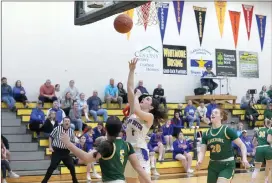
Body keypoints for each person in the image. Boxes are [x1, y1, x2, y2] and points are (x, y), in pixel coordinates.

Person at [60, 116, 152, 183]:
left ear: (106, 129)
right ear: (120, 130)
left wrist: (69, 144)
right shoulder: (127, 145)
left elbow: (87, 158)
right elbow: (139, 168)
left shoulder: (106, 145)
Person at [125, 58, 166, 183]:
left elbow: (137, 109)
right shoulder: (133, 111)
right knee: (130, 181)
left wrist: (136, 96)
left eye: (148, 99)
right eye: (145, 98)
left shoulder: (149, 117)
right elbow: (130, 88)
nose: (145, 99)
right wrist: (132, 71)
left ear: (151, 107)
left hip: (139, 152)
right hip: (128, 152)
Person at [196, 108, 250, 183]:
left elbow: (242, 145)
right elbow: (202, 151)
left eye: (215, 112)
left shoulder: (226, 130)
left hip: (227, 165)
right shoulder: (206, 134)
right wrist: (199, 160)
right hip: (213, 166)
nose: (212, 114)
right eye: (212, 113)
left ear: (221, 117)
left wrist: (244, 158)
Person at [42, 117, 78, 183]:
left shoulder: (71, 131)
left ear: (70, 123)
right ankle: (44, 181)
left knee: (72, 166)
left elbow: (73, 142)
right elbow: (51, 137)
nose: (67, 122)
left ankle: (75, 181)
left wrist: (74, 146)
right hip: (57, 151)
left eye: (68, 121)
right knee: (52, 167)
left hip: (66, 152)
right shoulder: (57, 128)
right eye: (65, 121)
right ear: (63, 122)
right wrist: (50, 147)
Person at [251, 119, 272, 183]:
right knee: (268, 166)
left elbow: (253, 142)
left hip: (259, 148)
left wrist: (258, 144)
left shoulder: (258, 130)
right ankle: (266, 180)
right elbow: (269, 140)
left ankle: (252, 181)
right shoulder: (270, 129)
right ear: (269, 124)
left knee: (256, 168)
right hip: (267, 148)